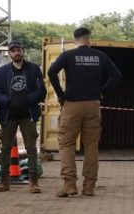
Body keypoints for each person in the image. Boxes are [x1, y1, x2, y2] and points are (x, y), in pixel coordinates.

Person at [47, 27, 121, 198]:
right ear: (89, 40)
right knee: (91, 145)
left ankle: (69, 184)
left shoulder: (68, 55)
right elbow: (117, 76)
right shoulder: (100, 56)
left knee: (66, 144)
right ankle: (89, 187)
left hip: (71, 104)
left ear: (75, 40)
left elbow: (51, 72)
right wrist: (102, 92)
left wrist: (60, 95)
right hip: (93, 104)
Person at [0, 40, 47, 193]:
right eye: (13, 50)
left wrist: (27, 100)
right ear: (9, 53)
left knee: (31, 147)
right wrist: (7, 101)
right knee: (6, 148)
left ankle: (34, 182)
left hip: (27, 114)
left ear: (23, 51)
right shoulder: (2, 72)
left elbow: (42, 91)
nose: (16, 52)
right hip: (8, 115)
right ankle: (4, 182)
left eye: (18, 50)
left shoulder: (34, 69)